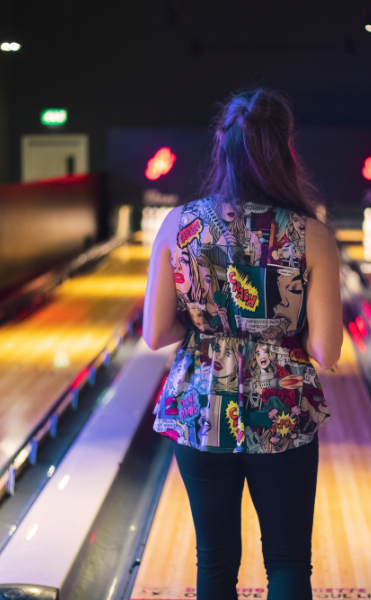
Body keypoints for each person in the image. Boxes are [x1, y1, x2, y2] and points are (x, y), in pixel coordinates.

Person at [143, 88, 343, 600]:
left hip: (200, 406)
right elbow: (327, 351)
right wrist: (274, 329)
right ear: (286, 147)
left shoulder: (177, 225)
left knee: (213, 564)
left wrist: (211, 327)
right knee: (288, 561)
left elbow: (154, 334)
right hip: (283, 407)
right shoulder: (311, 235)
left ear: (222, 145)